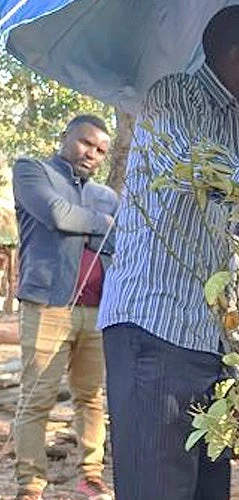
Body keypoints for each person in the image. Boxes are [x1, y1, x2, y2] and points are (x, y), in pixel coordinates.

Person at [96, 6, 239, 499]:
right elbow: (192, 163)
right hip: (154, 329)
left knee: (205, 492)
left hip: (204, 338)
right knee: (157, 489)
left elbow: (238, 221)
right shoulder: (176, 95)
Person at [11, 115, 118, 500]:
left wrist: (89, 225)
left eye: (101, 150)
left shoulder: (106, 195)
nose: (92, 154)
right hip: (48, 305)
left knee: (90, 398)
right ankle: (30, 485)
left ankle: (90, 475)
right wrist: (101, 225)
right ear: (64, 136)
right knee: (36, 397)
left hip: (97, 310)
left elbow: (116, 241)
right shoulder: (30, 170)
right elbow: (55, 214)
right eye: (86, 143)